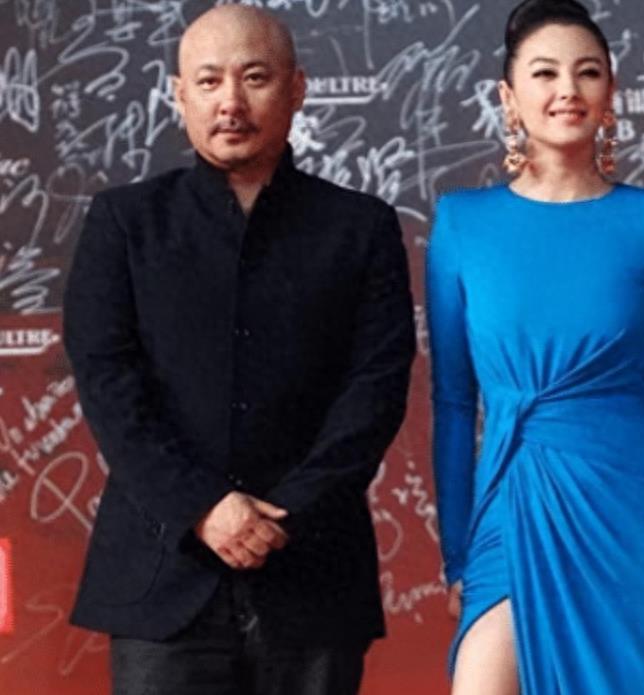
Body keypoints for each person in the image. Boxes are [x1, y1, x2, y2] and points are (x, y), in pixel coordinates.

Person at [63, 5, 415, 694]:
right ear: (179, 94)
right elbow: (109, 383)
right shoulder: (125, 223)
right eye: (209, 80)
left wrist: (288, 511)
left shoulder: (360, 227)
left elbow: (375, 387)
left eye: (255, 77)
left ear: (296, 88)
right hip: (161, 577)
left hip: (313, 570)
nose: (231, 101)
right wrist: (204, 505)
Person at [425, 1, 644, 693]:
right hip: (514, 501)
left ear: (610, 93)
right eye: (544, 73)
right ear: (509, 97)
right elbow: (452, 404)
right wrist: (458, 555)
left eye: (587, 72)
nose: (567, 89)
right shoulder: (462, 224)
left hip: (641, 519)